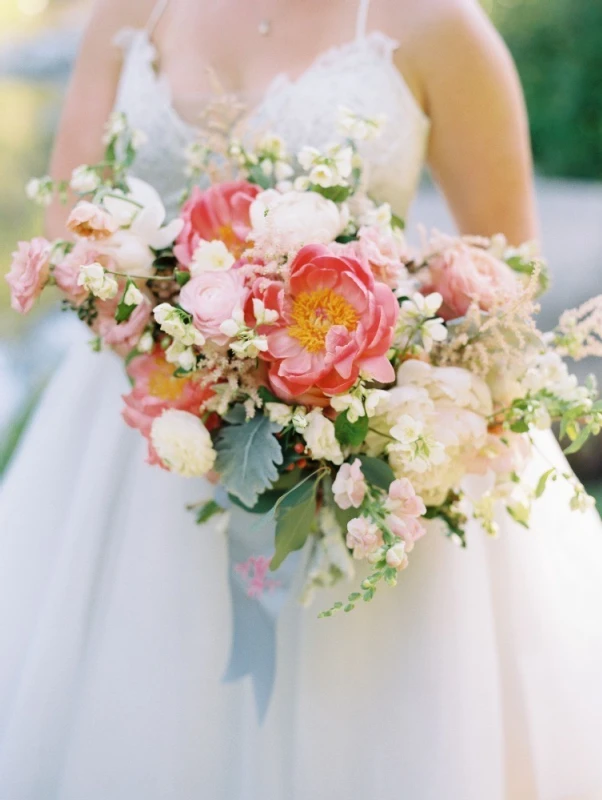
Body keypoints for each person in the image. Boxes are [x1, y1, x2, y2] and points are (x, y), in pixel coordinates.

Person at [1, 0, 601, 797]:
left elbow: (509, 288)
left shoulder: (437, 25)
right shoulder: (134, 12)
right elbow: (64, 228)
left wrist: (378, 379)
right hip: (145, 443)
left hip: (361, 454)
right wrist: (193, 342)